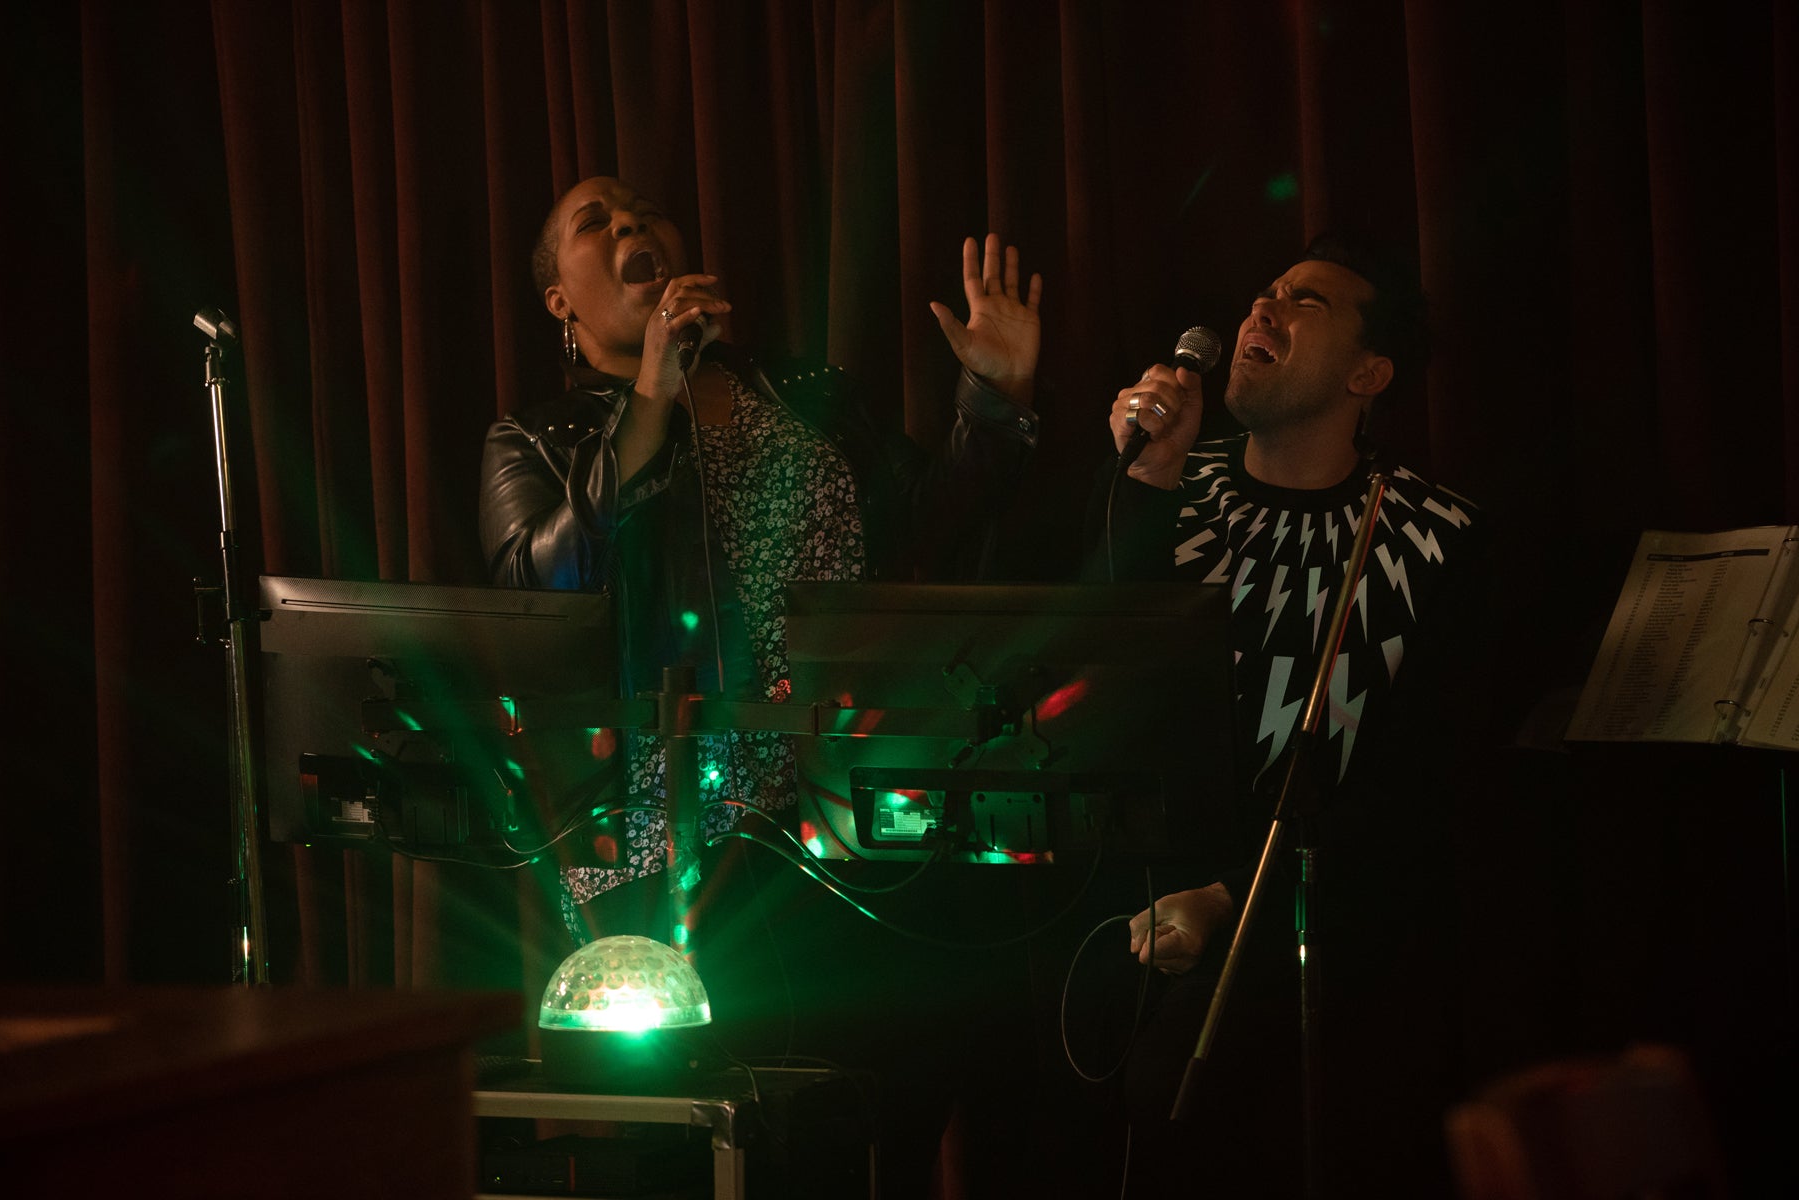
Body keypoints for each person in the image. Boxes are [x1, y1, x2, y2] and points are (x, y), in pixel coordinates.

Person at [478, 175, 1043, 1191]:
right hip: (665, 849)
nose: (629, 227)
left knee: (869, 1123)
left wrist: (991, 403)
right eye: (592, 225)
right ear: (558, 300)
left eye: (641, 211)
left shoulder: (808, 394)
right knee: (707, 1153)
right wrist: (650, 393)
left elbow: (925, 525)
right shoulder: (537, 438)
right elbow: (545, 584)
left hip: (839, 823)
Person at [1088, 234, 1488, 1196]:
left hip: (1341, 942)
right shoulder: (1173, 497)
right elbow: (1100, 695)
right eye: (1264, 293)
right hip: (1136, 917)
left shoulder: (1434, 535)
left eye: (1303, 301)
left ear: (1369, 371)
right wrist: (1146, 484)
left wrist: (1232, 900)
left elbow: (1428, 788)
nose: (1261, 310)